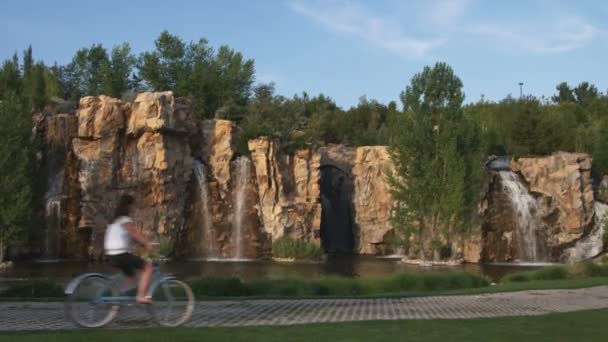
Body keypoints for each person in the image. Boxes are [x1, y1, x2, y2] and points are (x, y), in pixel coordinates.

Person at [104, 194, 153, 304]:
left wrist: (140, 244)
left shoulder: (115, 221)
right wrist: (147, 243)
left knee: (131, 278)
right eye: (133, 207)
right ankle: (140, 296)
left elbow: (128, 237)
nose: (134, 209)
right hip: (120, 254)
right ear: (129, 207)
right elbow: (134, 233)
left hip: (111, 254)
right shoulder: (125, 219)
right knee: (148, 267)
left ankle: (117, 298)